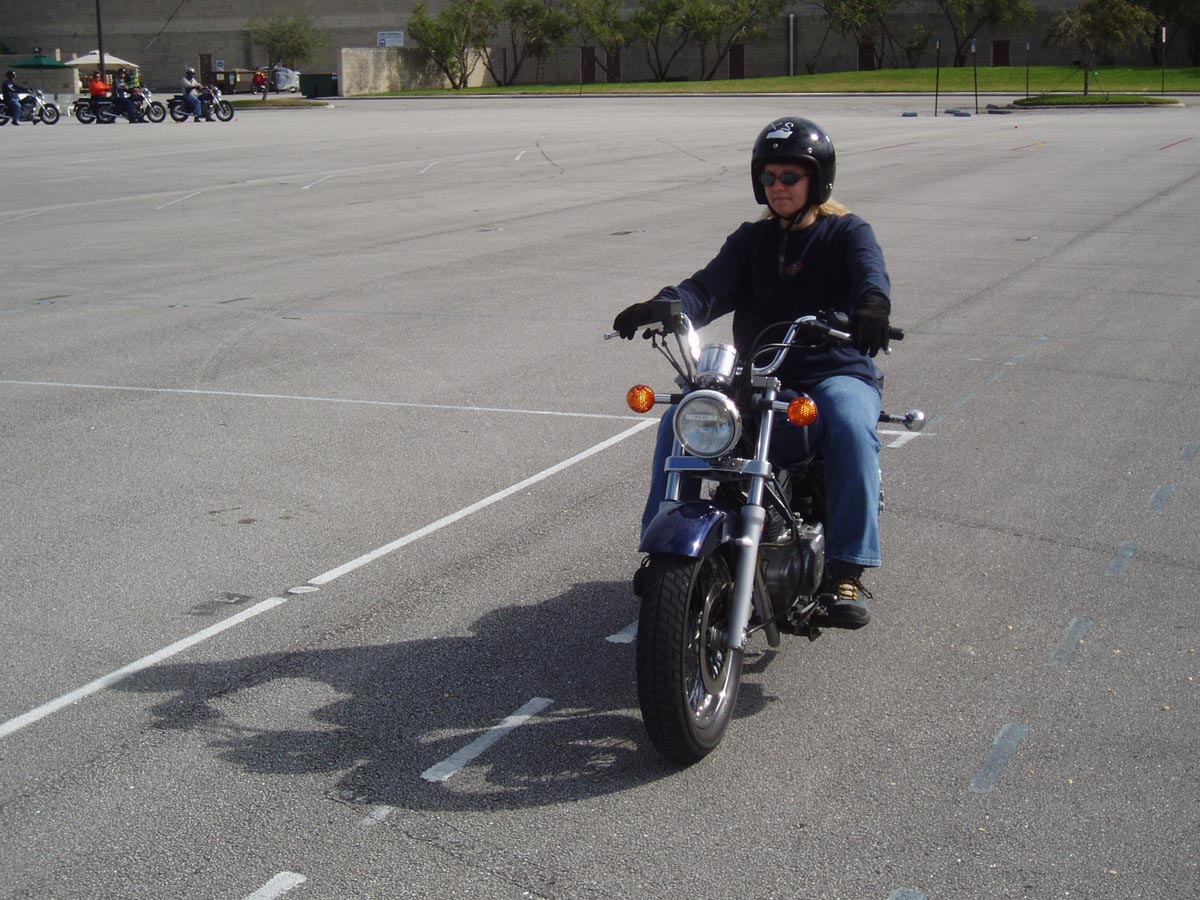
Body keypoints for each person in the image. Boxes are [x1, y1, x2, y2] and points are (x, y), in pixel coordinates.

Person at [612, 116, 893, 629]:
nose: (778, 186)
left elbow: (870, 277)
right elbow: (706, 288)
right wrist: (664, 305)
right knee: (680, 419)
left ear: (817, 180)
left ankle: (847, 568)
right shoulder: (751, 240)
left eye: (790, 176)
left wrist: (872, 307)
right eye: (768, 177)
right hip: (761, 374)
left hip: (833, 371)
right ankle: (662, 549)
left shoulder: (847, 232)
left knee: (851, 424)